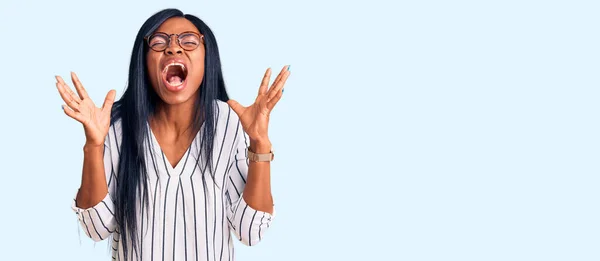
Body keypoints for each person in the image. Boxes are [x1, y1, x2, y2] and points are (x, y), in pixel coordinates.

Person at [55, 8, 289, 261]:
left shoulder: (229, 123)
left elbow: (250, 231)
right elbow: (96, 228)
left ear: (206, 59)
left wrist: (259, 143)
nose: (173, 48)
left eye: (188, 41)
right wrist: (94, 145)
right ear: (143, 62)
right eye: (158, 42)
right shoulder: (117, 126)